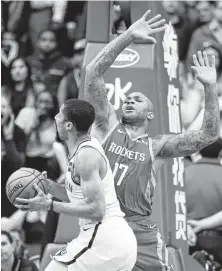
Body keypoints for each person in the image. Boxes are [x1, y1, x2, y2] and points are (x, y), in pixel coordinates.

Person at [84, 10, 220, 271]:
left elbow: (209, 135)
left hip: (139, 230)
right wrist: (127, 37)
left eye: (137, 98)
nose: (129, 100)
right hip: (104, 221)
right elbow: (92, 73)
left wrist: (209, 88)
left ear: (150, 113)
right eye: (127, 99)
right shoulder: (106, 126)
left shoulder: (156, 146)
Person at [15, 99, 137, 271]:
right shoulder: (82, 149)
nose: (55, 117)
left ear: (69, 125)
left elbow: (97, 210)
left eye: (59, 115)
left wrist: (49, 205)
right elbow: (77, 196)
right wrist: (48, 186)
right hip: (114, 242)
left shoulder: (86, 156)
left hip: (104, 240)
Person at [15, 90, 67, 181]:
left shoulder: (57, 124)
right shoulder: (28, 116)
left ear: (53, 105)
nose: (43, 105)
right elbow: (21, 145)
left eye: (47, 102)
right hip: (28, 162)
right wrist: (34, 125)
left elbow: (61, 149)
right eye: (40, 101)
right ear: (35, 103)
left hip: (48, 166)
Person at [1, 96, 27, 217]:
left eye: (3, 106)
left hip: (9, 189)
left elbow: (19, 164)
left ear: (10, 111)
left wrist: (8, 138)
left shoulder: (18, 132)